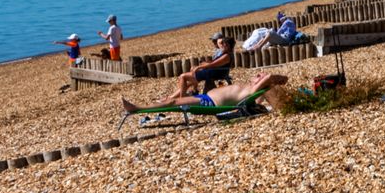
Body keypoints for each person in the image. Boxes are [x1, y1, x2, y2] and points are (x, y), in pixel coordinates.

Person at [122, 71, 287, 114]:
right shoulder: (250, 88)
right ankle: (144, 107)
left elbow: (271, 77)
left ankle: (138, 108)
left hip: (209, 103)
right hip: (205, 98)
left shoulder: (253, 89)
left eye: (260, 76)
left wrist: (273, 79)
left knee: (172, 103)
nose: (258, 75)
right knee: (169, 100)